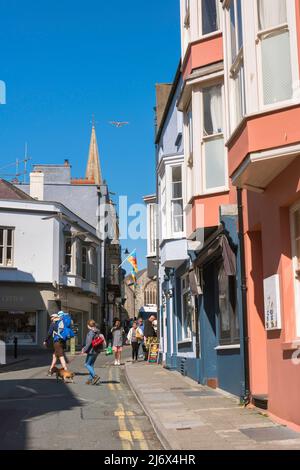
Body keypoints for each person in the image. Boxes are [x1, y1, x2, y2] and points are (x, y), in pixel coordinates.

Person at [81, 320, 105, 385]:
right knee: (91, 365)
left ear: (89, 326)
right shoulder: (97, 331)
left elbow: (89, 343)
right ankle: (90, 379)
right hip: (97, 350)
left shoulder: (91, 333)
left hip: (91, 351)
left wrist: (84, 349)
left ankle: (95, 376)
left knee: (87, 364)